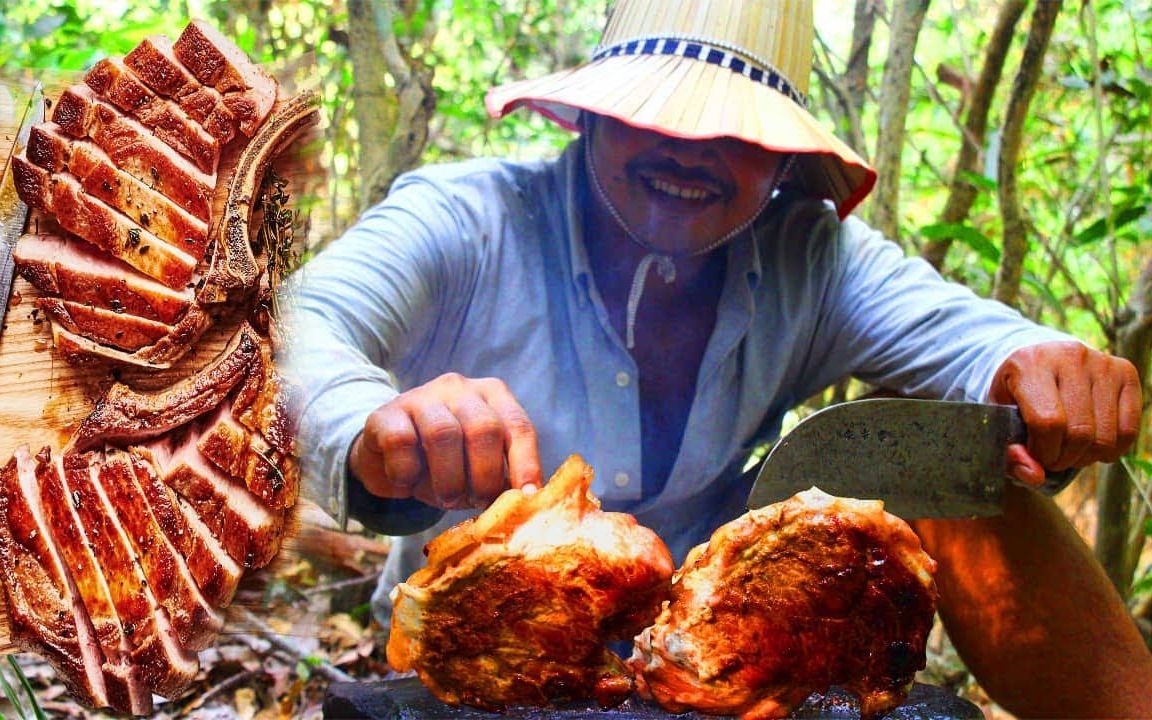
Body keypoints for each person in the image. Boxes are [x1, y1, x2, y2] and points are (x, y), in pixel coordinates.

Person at [284, 0, 1152, 715]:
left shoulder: (808, 257)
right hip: (495, 647)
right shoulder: (470, 221)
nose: (690, 152)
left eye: (735, 132)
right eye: (652, 114)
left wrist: (1039, 366)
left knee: (942, 445)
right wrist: (372, 420)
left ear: (782, 159)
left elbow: (969, 341)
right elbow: (299, 324)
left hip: (727, 645)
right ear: (590, 114)